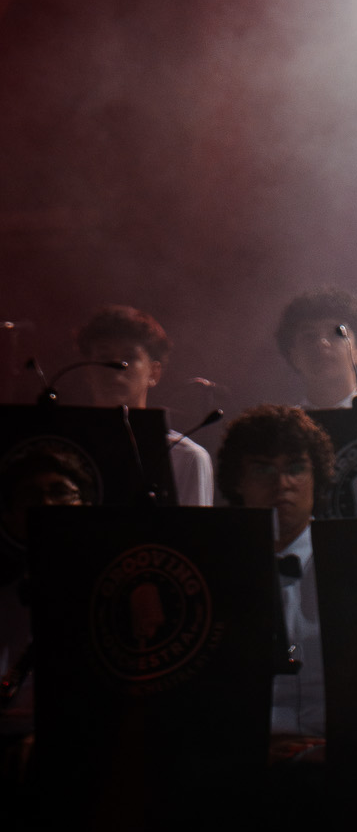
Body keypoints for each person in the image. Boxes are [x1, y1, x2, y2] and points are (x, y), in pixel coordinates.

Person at [218, 405, 333, 740]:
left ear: (316, 478)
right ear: (237, 482)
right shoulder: (215, 569)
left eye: (296, 468)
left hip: (336, 752)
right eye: (263, 470)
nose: (282, 484)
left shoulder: (350, 563)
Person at [0, 440, 92, 743]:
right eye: (31, 496)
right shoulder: (7, 599)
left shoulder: (107, 596)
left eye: (60, 492)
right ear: (9, 516)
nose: (47, 504)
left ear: (85, 507)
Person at [75, 305, 214, 507]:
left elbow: (192, 528)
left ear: (154, 373)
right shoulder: (66, 449)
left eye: (130, 356)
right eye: (104, 357)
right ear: (87, 371)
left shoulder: (186, 457)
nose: (116, 365)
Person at [275, 287, 357, 409]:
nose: (322, 343)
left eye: (336, 334)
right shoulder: (282, 421)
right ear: (294, 357)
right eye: (309, 336)